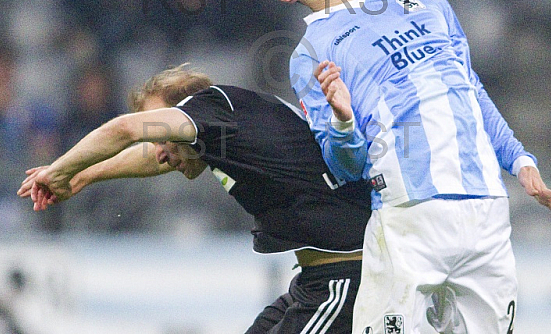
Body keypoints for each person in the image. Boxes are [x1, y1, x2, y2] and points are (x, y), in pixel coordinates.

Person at [245, 0, 551, 333]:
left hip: (486, 208)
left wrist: (519, 159)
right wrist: (343, 120)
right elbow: (345, 168)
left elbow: (468, 84)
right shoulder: (310, 55)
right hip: (409, 216)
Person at [19, 64, 371, 333]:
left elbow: (124, 129)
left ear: (183, 116)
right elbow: (155, 156)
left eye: (160, 135)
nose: (158, 152)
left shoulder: (212, 108)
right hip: (316, 280)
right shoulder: (228, 125)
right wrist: (84, 176)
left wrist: (59, 170)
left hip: (341, 279)